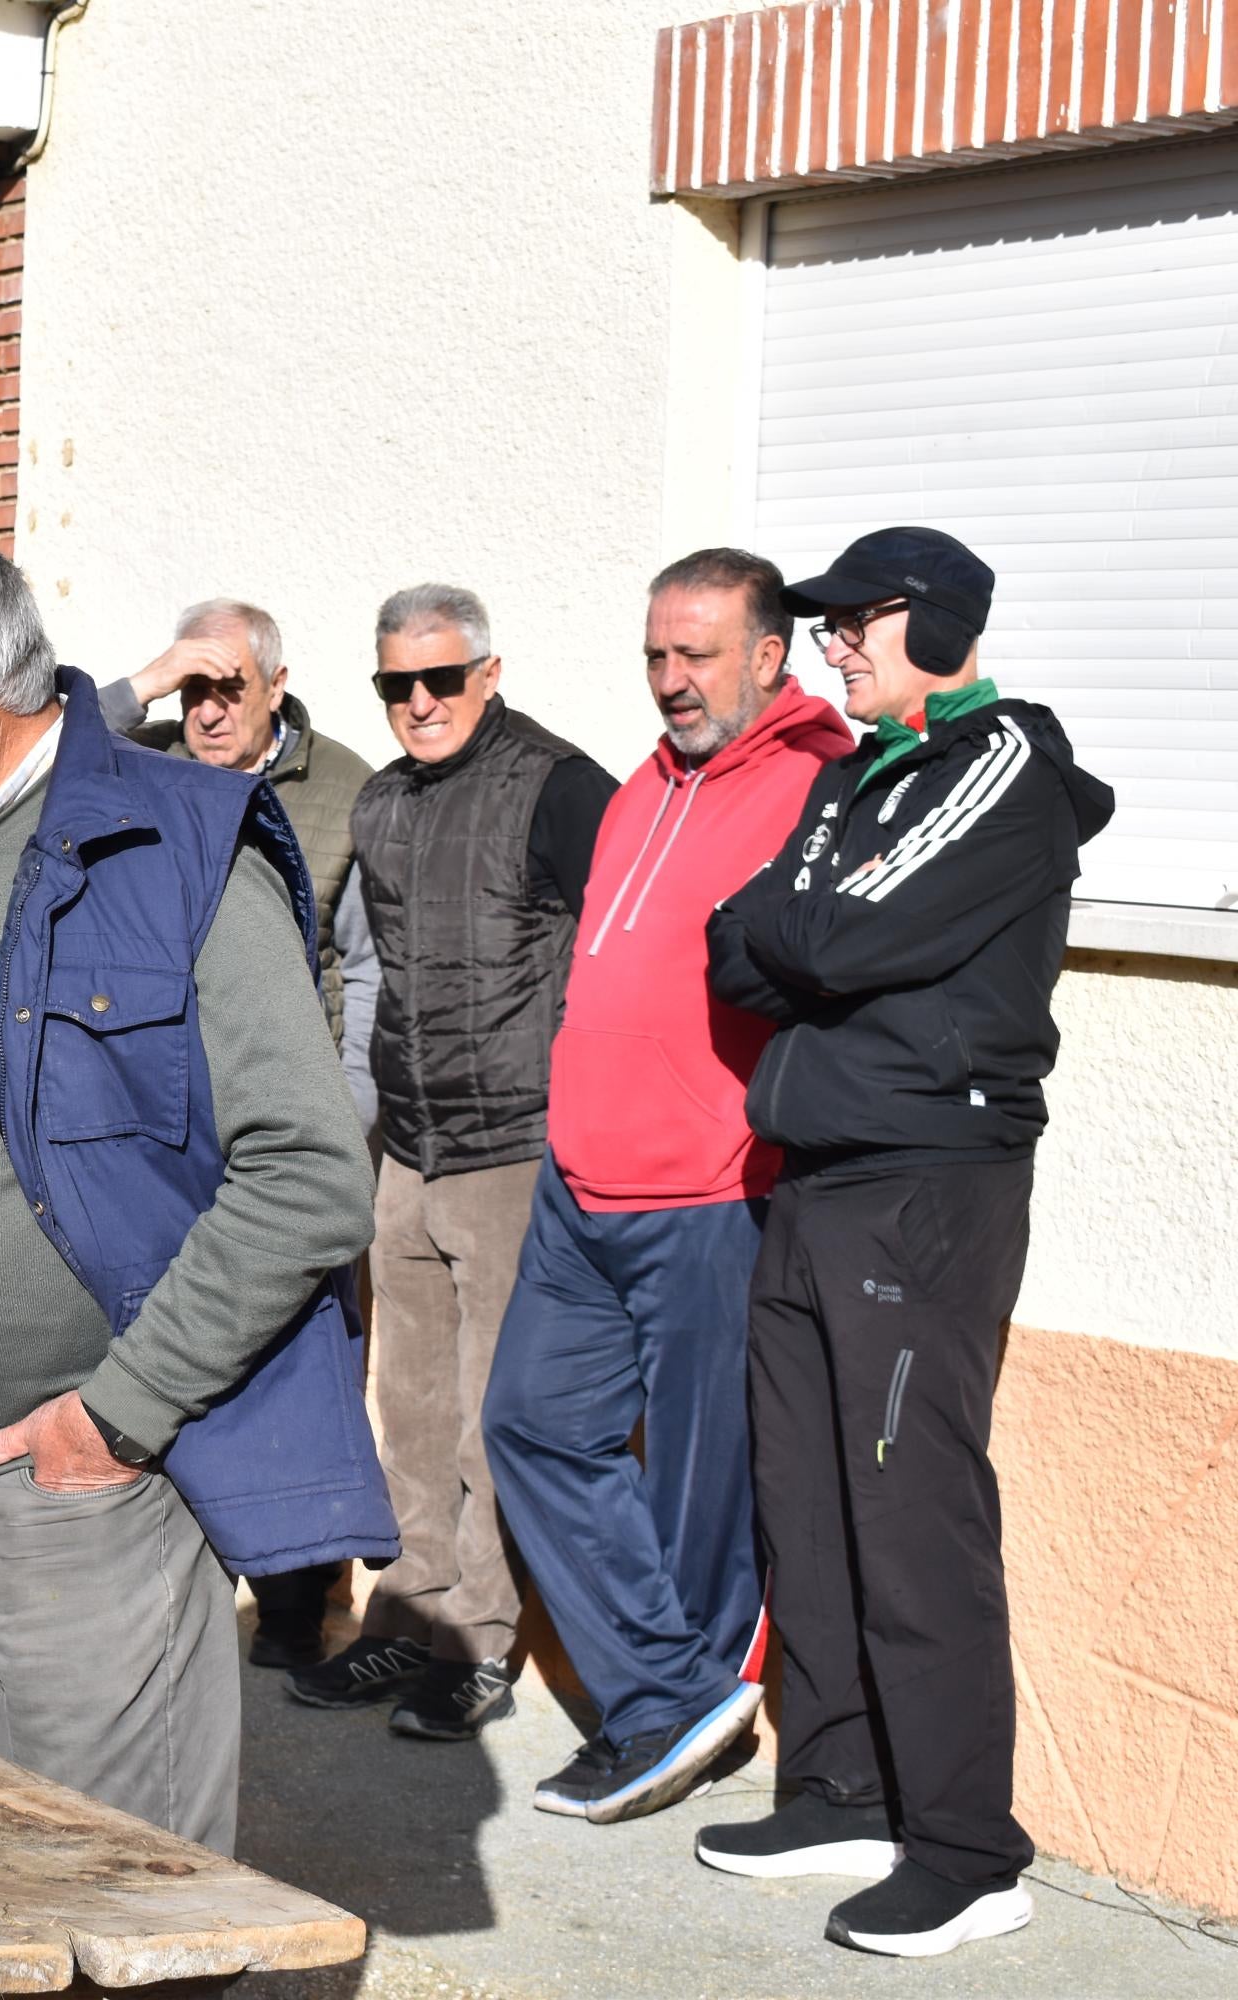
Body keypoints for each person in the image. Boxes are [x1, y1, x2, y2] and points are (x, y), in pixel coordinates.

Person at [0, 510, 385, 1855]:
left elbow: (308, 1179)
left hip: (67, 1515)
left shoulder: (176, 853)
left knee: (116, 1894)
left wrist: (117, 1417)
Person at [701, 527, 1112, 1957]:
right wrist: (804, 933)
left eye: (856, 623)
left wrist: (808, 935)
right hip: (816, 1173)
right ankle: (840, 1789)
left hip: (926, 1186)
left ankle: (965, 1848)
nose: (836, 649)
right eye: (826, 630)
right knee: (806, 1498)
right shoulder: (854, 774)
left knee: (912, 1514)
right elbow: (739, 937)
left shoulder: (1001, 767)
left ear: (932, 622)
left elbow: (828, 942)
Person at [479, 550, 849, 1824]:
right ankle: (665, 1693)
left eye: (698, 654)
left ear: (769, 654)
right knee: (530, 1422)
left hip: (710, 1187)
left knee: (706, 1482)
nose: (672, 680)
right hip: (580, 1183)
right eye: (655, 654)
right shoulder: (642, 785)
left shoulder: (817, 784)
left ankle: (674, 1708)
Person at [293, 583, 617, 1741]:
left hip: (513, 1148)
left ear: (489, 671)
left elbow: (622, 948)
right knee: (411, 1404)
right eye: (396, 684)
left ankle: (480, 1636)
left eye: (441, 678)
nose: (419, 702)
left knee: (488, 1411)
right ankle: (410, 1613)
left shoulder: (557, 783)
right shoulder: (381, 803)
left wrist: (582, 1101)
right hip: (410, 1144)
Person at [100, 598, 382, 1671]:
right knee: (176, 1340)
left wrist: (340, 1119)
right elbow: (59, 745)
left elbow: (363, 971)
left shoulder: (344, 786)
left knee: (302, 1354)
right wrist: (155, 673)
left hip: (288, 1128)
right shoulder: (152, 766)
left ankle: (303, 1601)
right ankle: (193, 1577)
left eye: (229, 686)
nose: (209, 710)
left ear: (276, 683)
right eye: (195, 689)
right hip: (166, 1123)